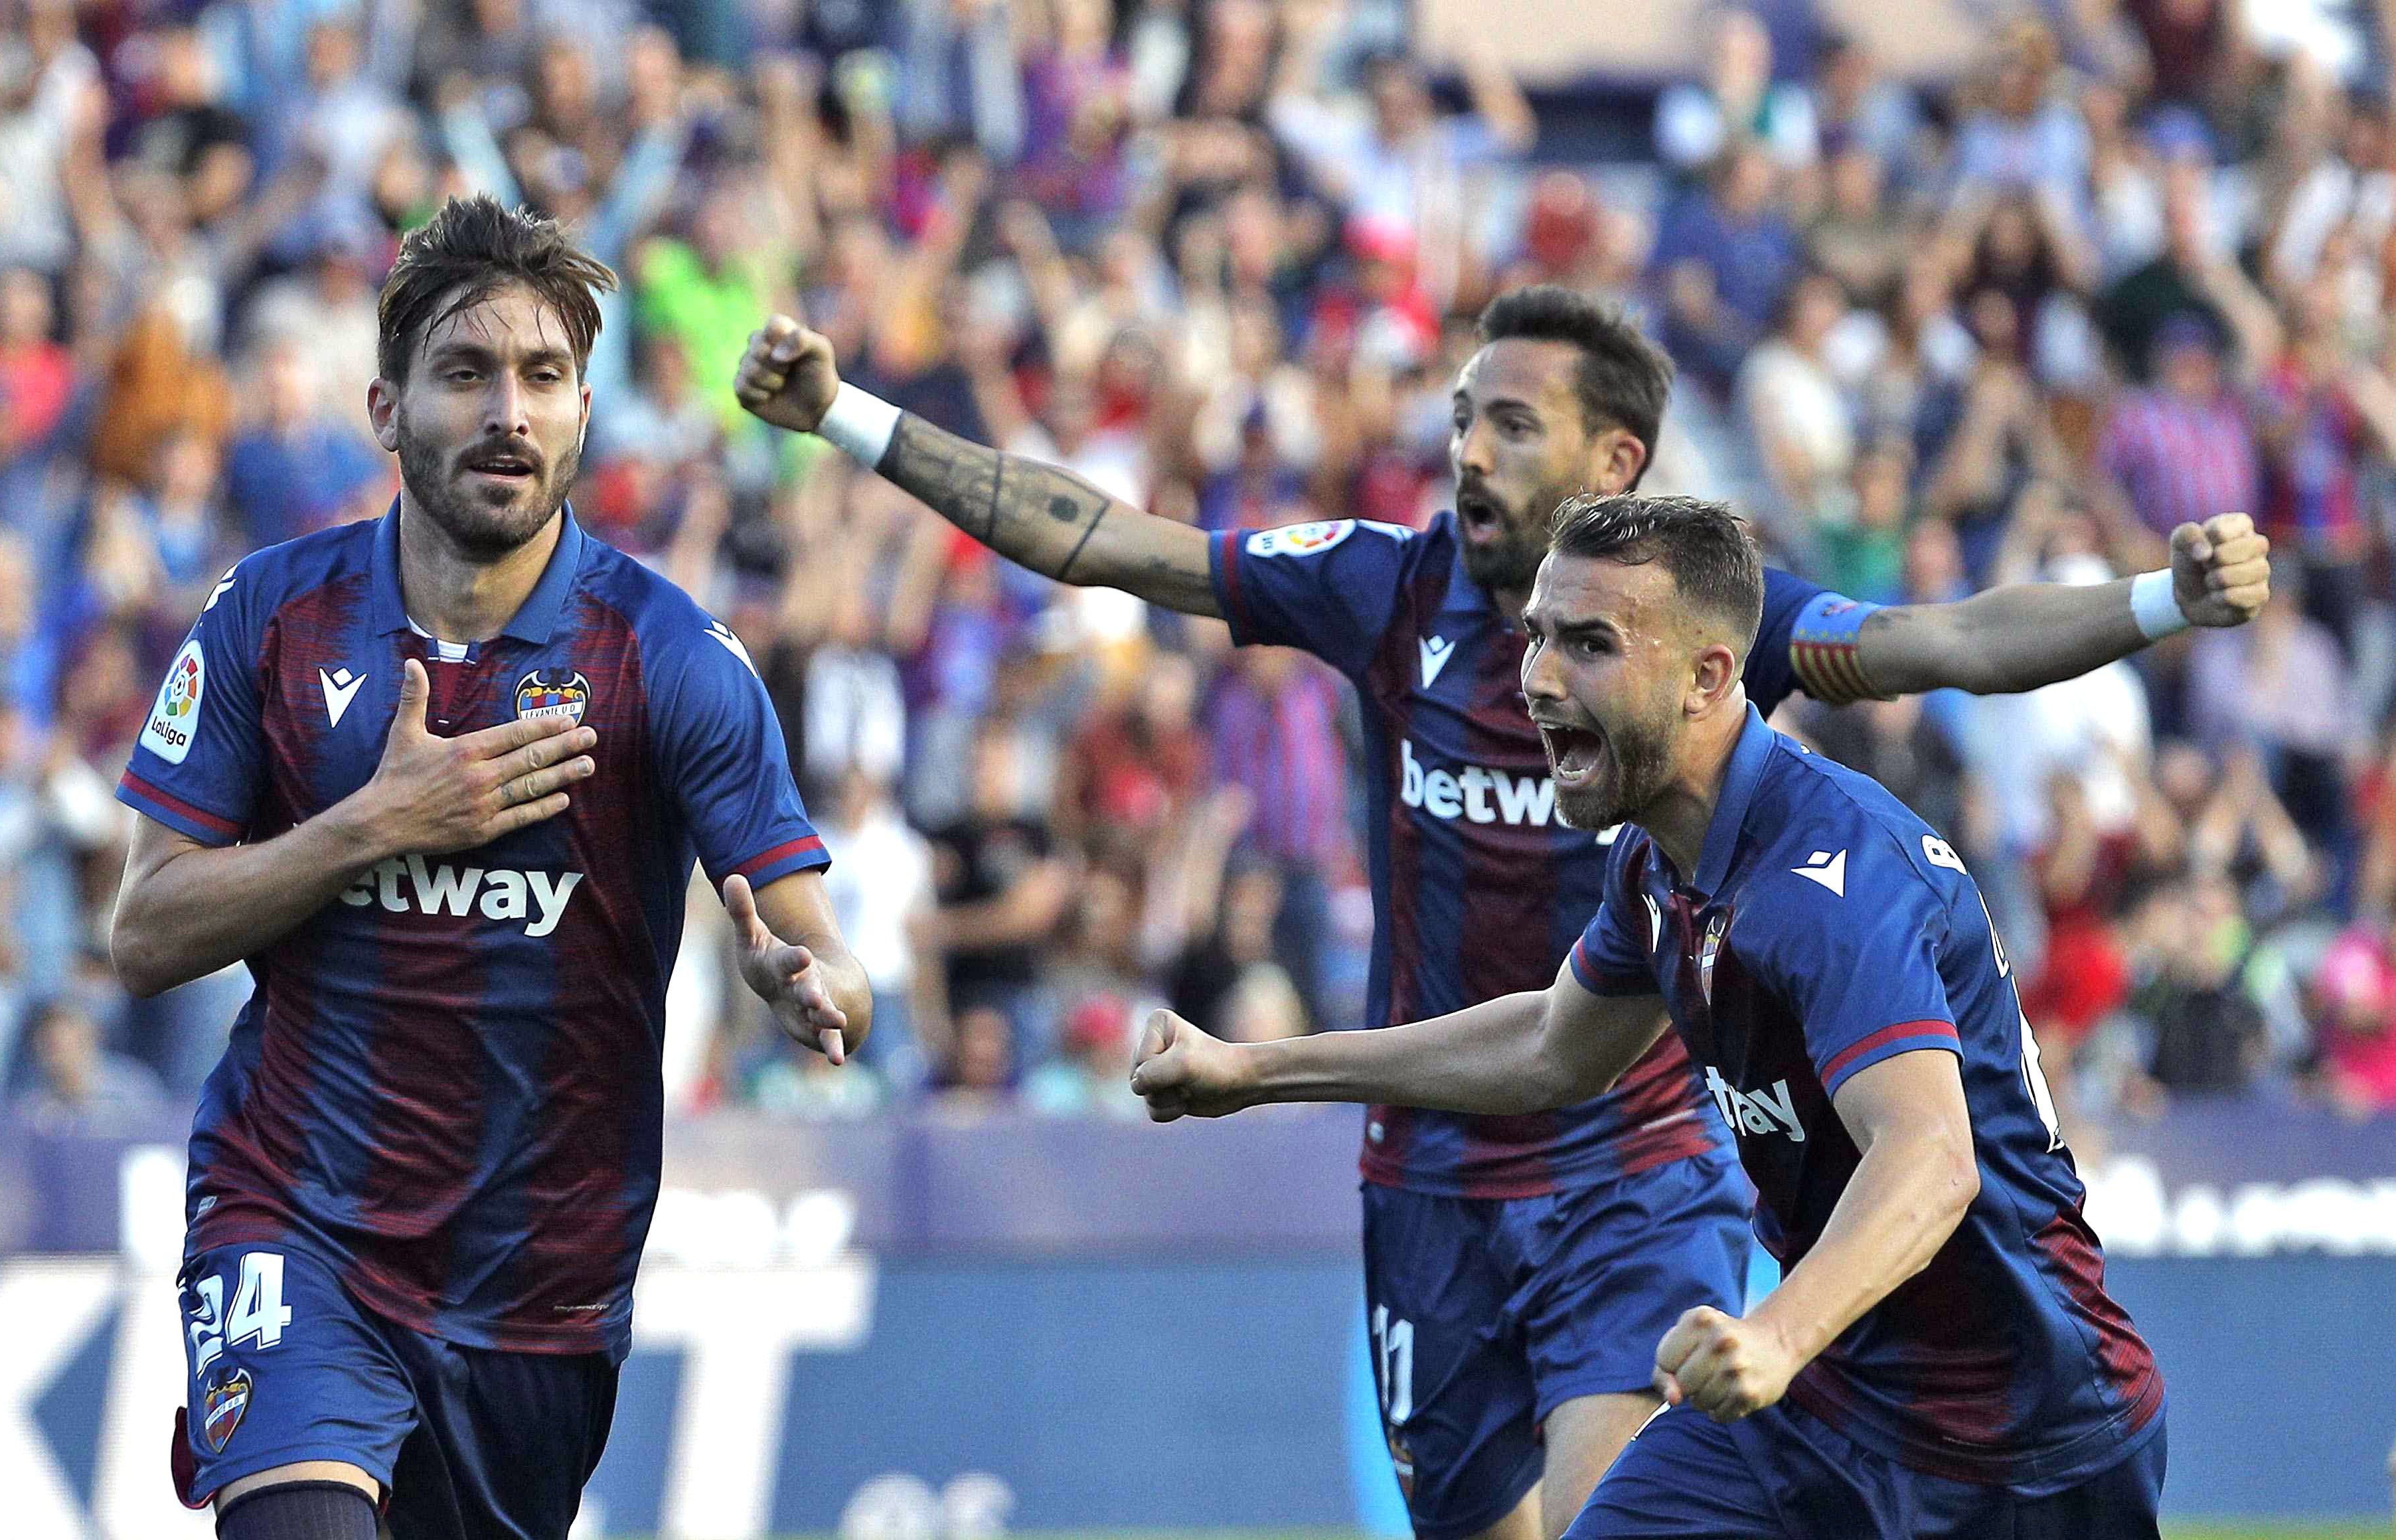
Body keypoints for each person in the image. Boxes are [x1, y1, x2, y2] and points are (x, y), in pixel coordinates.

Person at [734, 287, 2261, 1540]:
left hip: (1687, 1209)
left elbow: (1948, 652)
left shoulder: (1788, 794)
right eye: (1458, 414)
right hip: (1449, 1189)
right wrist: (848, 420)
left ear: (1617, 470)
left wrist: (2153, 603)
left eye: (1506, 422)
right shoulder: (1414, 624)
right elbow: (1540, 1036)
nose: (1464, 449)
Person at [1133, 495, 2168, 1539]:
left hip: (2027, 1438)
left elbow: (1932, 1158)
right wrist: (1256, 1071)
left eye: (1588, 645)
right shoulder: (1652, 864)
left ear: (1710, 677)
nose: (1537, 679)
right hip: (1831, 1402)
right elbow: (1549, 1047)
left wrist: (1771, 1337)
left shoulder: (1828, 879)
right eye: (1536, 636)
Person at [108, 195, 870, 1540]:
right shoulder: (269, 618)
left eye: (541, 378)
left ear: (583, 411)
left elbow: (823, 947)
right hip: (294, 1218)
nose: (506, 410)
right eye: (464, 373)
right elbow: (144, 931)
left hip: (538, 1288)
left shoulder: (670, 658)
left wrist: (805, 977)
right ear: (387, 409)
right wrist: (373, 823)